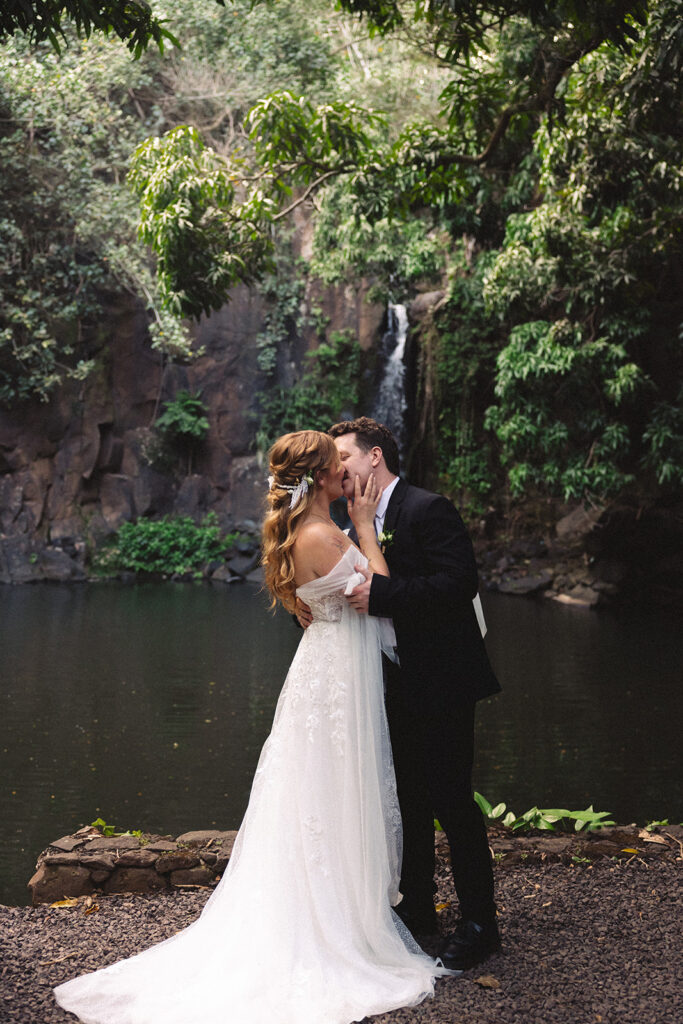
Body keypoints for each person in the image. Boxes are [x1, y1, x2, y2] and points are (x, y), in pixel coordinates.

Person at [54, 430, 451, 1024]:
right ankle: (332, 925)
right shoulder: (321, 534)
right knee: (330, 789)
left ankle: (335, 907)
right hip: (337, 674)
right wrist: (367, 529)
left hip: (325, 669)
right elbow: (380, 591)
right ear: (319, 478)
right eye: (337, 463)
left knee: (316, 791)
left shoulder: (299, 533)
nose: (348, 471)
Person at [297, 418, 502, 972]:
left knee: (453, 802)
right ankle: (417, 911)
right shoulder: (346, 521)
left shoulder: (425, 508)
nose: (336, 468)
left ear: (375, 457)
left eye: (344, 456)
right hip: (389, 682)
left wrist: (383, 593)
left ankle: (480, 922)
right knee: (406, 799)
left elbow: (459, 584)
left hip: (442, 679)